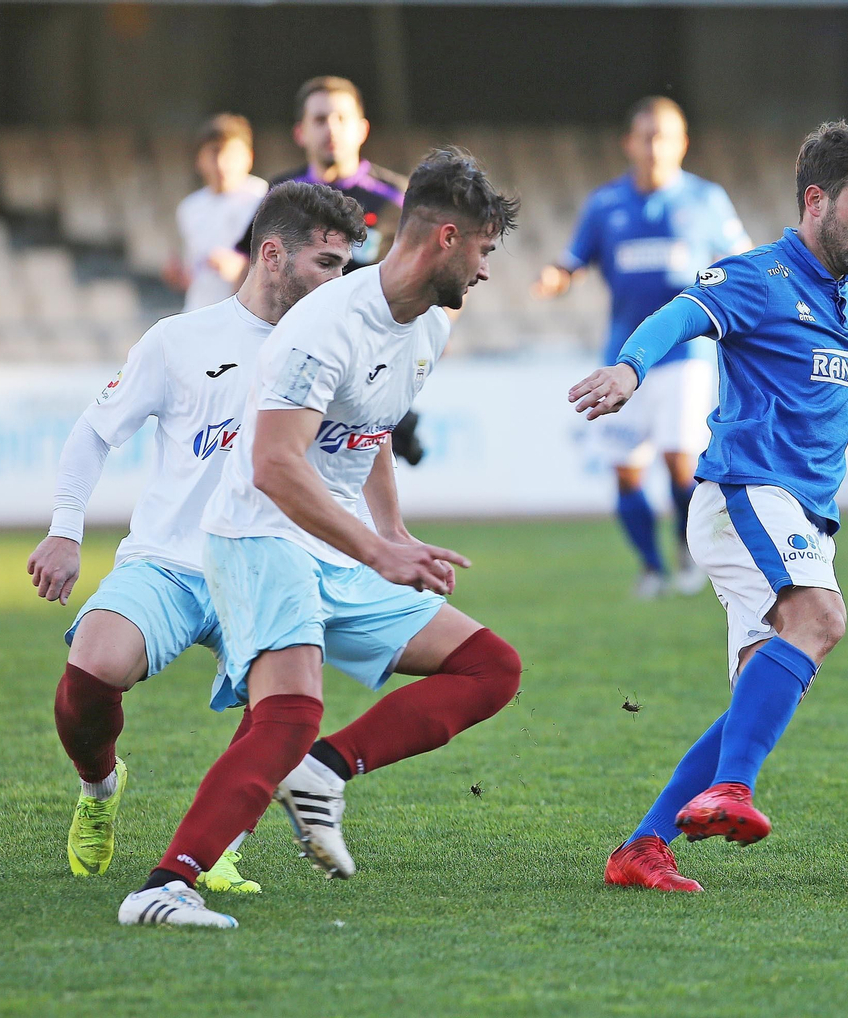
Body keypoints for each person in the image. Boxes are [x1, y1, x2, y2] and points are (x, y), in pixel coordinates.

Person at [116, 148, 522, 929]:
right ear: (445, 237)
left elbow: (363, 434)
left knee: (489, 668)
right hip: (260, 534)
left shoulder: (429, 327)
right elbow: (272, 465)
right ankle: (164, 887)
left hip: (334, 544)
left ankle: (325, 771)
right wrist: (377, 550)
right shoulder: (325, 325)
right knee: (291, 711)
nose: (484, 270)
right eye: (483, 249)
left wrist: (393, 531)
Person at [571, 121, 848, 891]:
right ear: (816, 201)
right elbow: (681, 313)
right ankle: (733, 791)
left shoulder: (842, 291)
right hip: (749, 491)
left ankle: (643, 846)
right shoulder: (760, 276)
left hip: (800, 509)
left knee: (760, 690)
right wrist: (630, 369)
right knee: (821, 620)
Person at [28, 182, 366, 894]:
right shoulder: (180, 341)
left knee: (283, 715)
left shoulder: (339, 350)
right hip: (171, 561)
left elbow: (356, 463)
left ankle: (218, 848)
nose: (342, 282)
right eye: (329, 264)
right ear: (272, 255)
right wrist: (65, 529)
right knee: (90, 670)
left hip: (269, 567)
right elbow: (94, 431)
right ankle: (99, 788)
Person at [536, 97, 753, 599]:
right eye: (645, 136)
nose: (654, 146)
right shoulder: (605, 204)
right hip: (621, 355)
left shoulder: (706, 200)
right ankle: (651, 567)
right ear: (628, 143)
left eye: (664, 136)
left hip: (684, 355)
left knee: (680, 460)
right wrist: (556, 277)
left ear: (682, 143)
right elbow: (573, 262)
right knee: (627, 471)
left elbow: (742, 264)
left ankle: (685, 550)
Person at [237, 75, 426, 466]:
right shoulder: (281, 195)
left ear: (362, 129)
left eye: (341, 118)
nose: (331, 129)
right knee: (285, 467)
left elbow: (428, 275)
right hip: (293, 356)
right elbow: (249, 269)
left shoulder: (397, 198)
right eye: (320, 119)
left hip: (367, 361)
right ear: (300, 132)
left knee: (354, 480)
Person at [167, 114, 268, 312]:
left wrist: (241, 268)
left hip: (248, 313)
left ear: (249, 157)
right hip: (199, 311)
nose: (222, 164)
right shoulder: (190, 208)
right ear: (199, 160)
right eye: (214, 153)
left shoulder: (264, 199)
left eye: (230, 155)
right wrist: (179, 276)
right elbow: (193, 272)